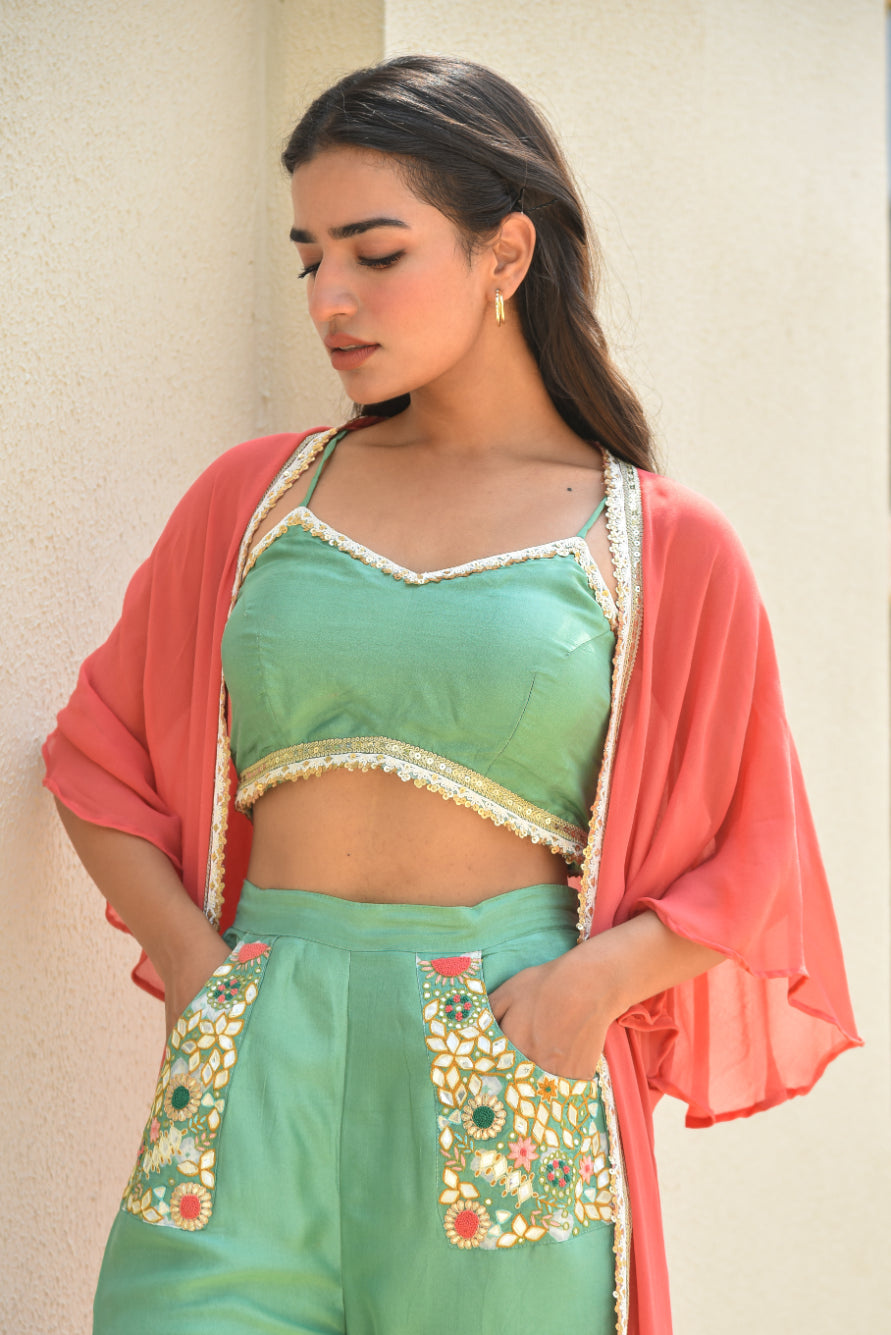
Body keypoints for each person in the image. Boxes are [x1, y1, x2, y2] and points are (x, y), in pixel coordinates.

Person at [43, 55, 860, 1335]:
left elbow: (754, 853)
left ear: (506, 253)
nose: (332, 298)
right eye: (309, 257)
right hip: (257, 1045)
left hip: (504, 1056)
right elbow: (93, 761)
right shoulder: (256, 503)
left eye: (376, 252)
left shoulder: (657, 543)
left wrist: (591, 987)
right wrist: (199, 971)